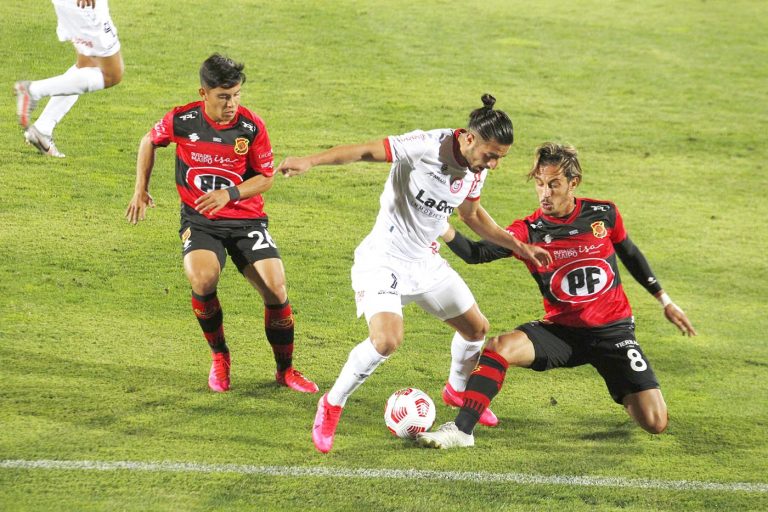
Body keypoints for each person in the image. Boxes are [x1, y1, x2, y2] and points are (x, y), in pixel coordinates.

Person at [277, 94, 553, 453]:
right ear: (469, 139)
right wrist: (309, 161)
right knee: (386, 341)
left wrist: (520, 247)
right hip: (384, 259)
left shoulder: (475, 170)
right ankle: (332, 403)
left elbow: (472, 216)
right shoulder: (425, 145)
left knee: (476, 329)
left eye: (500, 158)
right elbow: (364, 151)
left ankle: (456, 389)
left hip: (424, 261)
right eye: (491, 155)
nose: (494, 164)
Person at [416, 142, 697, 449]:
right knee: (500, 346)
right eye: (539, 184)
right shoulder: (529, 231)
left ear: (572, 184)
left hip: (614, 332)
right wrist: (441, 226)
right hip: (563, 332)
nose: (544, 193)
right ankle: (461, 430)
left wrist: (664, 300)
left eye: (553, 185)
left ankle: (626, 387)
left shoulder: (603, 215)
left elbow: (629, 252)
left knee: (655, 423)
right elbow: (476, 253)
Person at [125, 54, 318, 395]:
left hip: (246, 220)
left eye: (237, 95)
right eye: (223, 97)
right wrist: (141, 188)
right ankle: (220, 357)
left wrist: (230, 194)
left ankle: (285, 370)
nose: (232, 104)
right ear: (204, 93)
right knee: (202, 277)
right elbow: (148, 141)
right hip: (201, 221)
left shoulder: (251, 126)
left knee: (276, 287)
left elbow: (266, 178)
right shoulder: (182, 120)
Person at [14, 0, 124, 158]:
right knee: (112, 74)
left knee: (86, 64)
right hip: (85, 7)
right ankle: (32, 91)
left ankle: (43, 129)